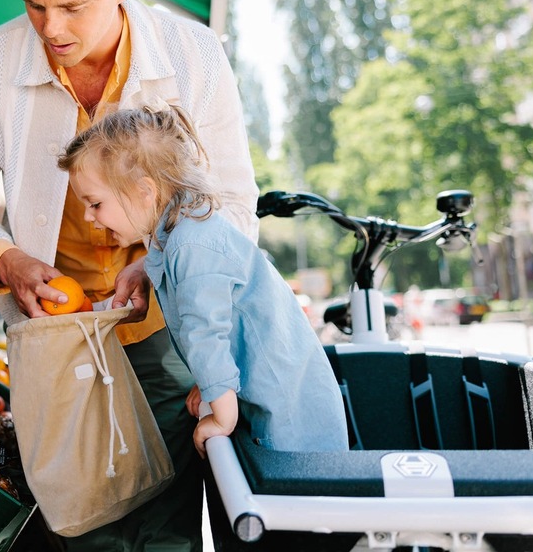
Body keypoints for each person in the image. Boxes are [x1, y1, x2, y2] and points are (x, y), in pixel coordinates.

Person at [0, 0, 259, 550]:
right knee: (78, 528)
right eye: (33, 5)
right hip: (56, 339)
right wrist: (8, 262)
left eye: (72, 8)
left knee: (167, 529)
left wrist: (157, 263)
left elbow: (232, 203)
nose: (51, 28)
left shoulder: (194, 56)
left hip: (168, 336)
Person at [57, 105, 349, 456]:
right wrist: (210, 384)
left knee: (298, 507)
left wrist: (221, 415)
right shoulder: (176, 234)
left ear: (144, 190)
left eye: (95, 203)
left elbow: (205, 332)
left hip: (290, 417)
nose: (90, 217)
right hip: (269, 400)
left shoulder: (192, 244)